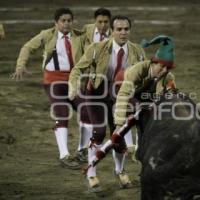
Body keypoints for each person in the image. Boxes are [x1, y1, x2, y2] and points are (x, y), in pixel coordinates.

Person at [68, 15, 146, 191]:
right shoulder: (96, 49)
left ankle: (119, 171)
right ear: (112, 31)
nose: (123, 32)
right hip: (96, 93)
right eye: (119, 29)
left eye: (126, 29)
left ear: (129, 30)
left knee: (118, 133)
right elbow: (77, 69)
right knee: (99, 132)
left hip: (120, 95)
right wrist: (72, 86)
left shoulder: (138, 51)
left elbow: (143, 76)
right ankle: (91, 173)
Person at [11, 8, 92, 169]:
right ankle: (64, 155)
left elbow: (91, 55)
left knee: (86, 110)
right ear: (56, 23)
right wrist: (20, 65)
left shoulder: (80, 36)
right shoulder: (47, 35)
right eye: (63, 20)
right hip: (53, 81)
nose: (66, 23)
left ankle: (82, 150)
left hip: (73, 80)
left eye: (69, 20)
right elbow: (27, 47)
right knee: (62, 113)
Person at [114, 35, 176, 134]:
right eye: (162, 66)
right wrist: (119, 124)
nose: (165, 71)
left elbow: (172, 97)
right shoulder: (137, 70)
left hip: (140, 94)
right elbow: (123, 94)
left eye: (168, 68)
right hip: (119, 89)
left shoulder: (168, 77)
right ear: (153, 63)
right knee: (143, 109)